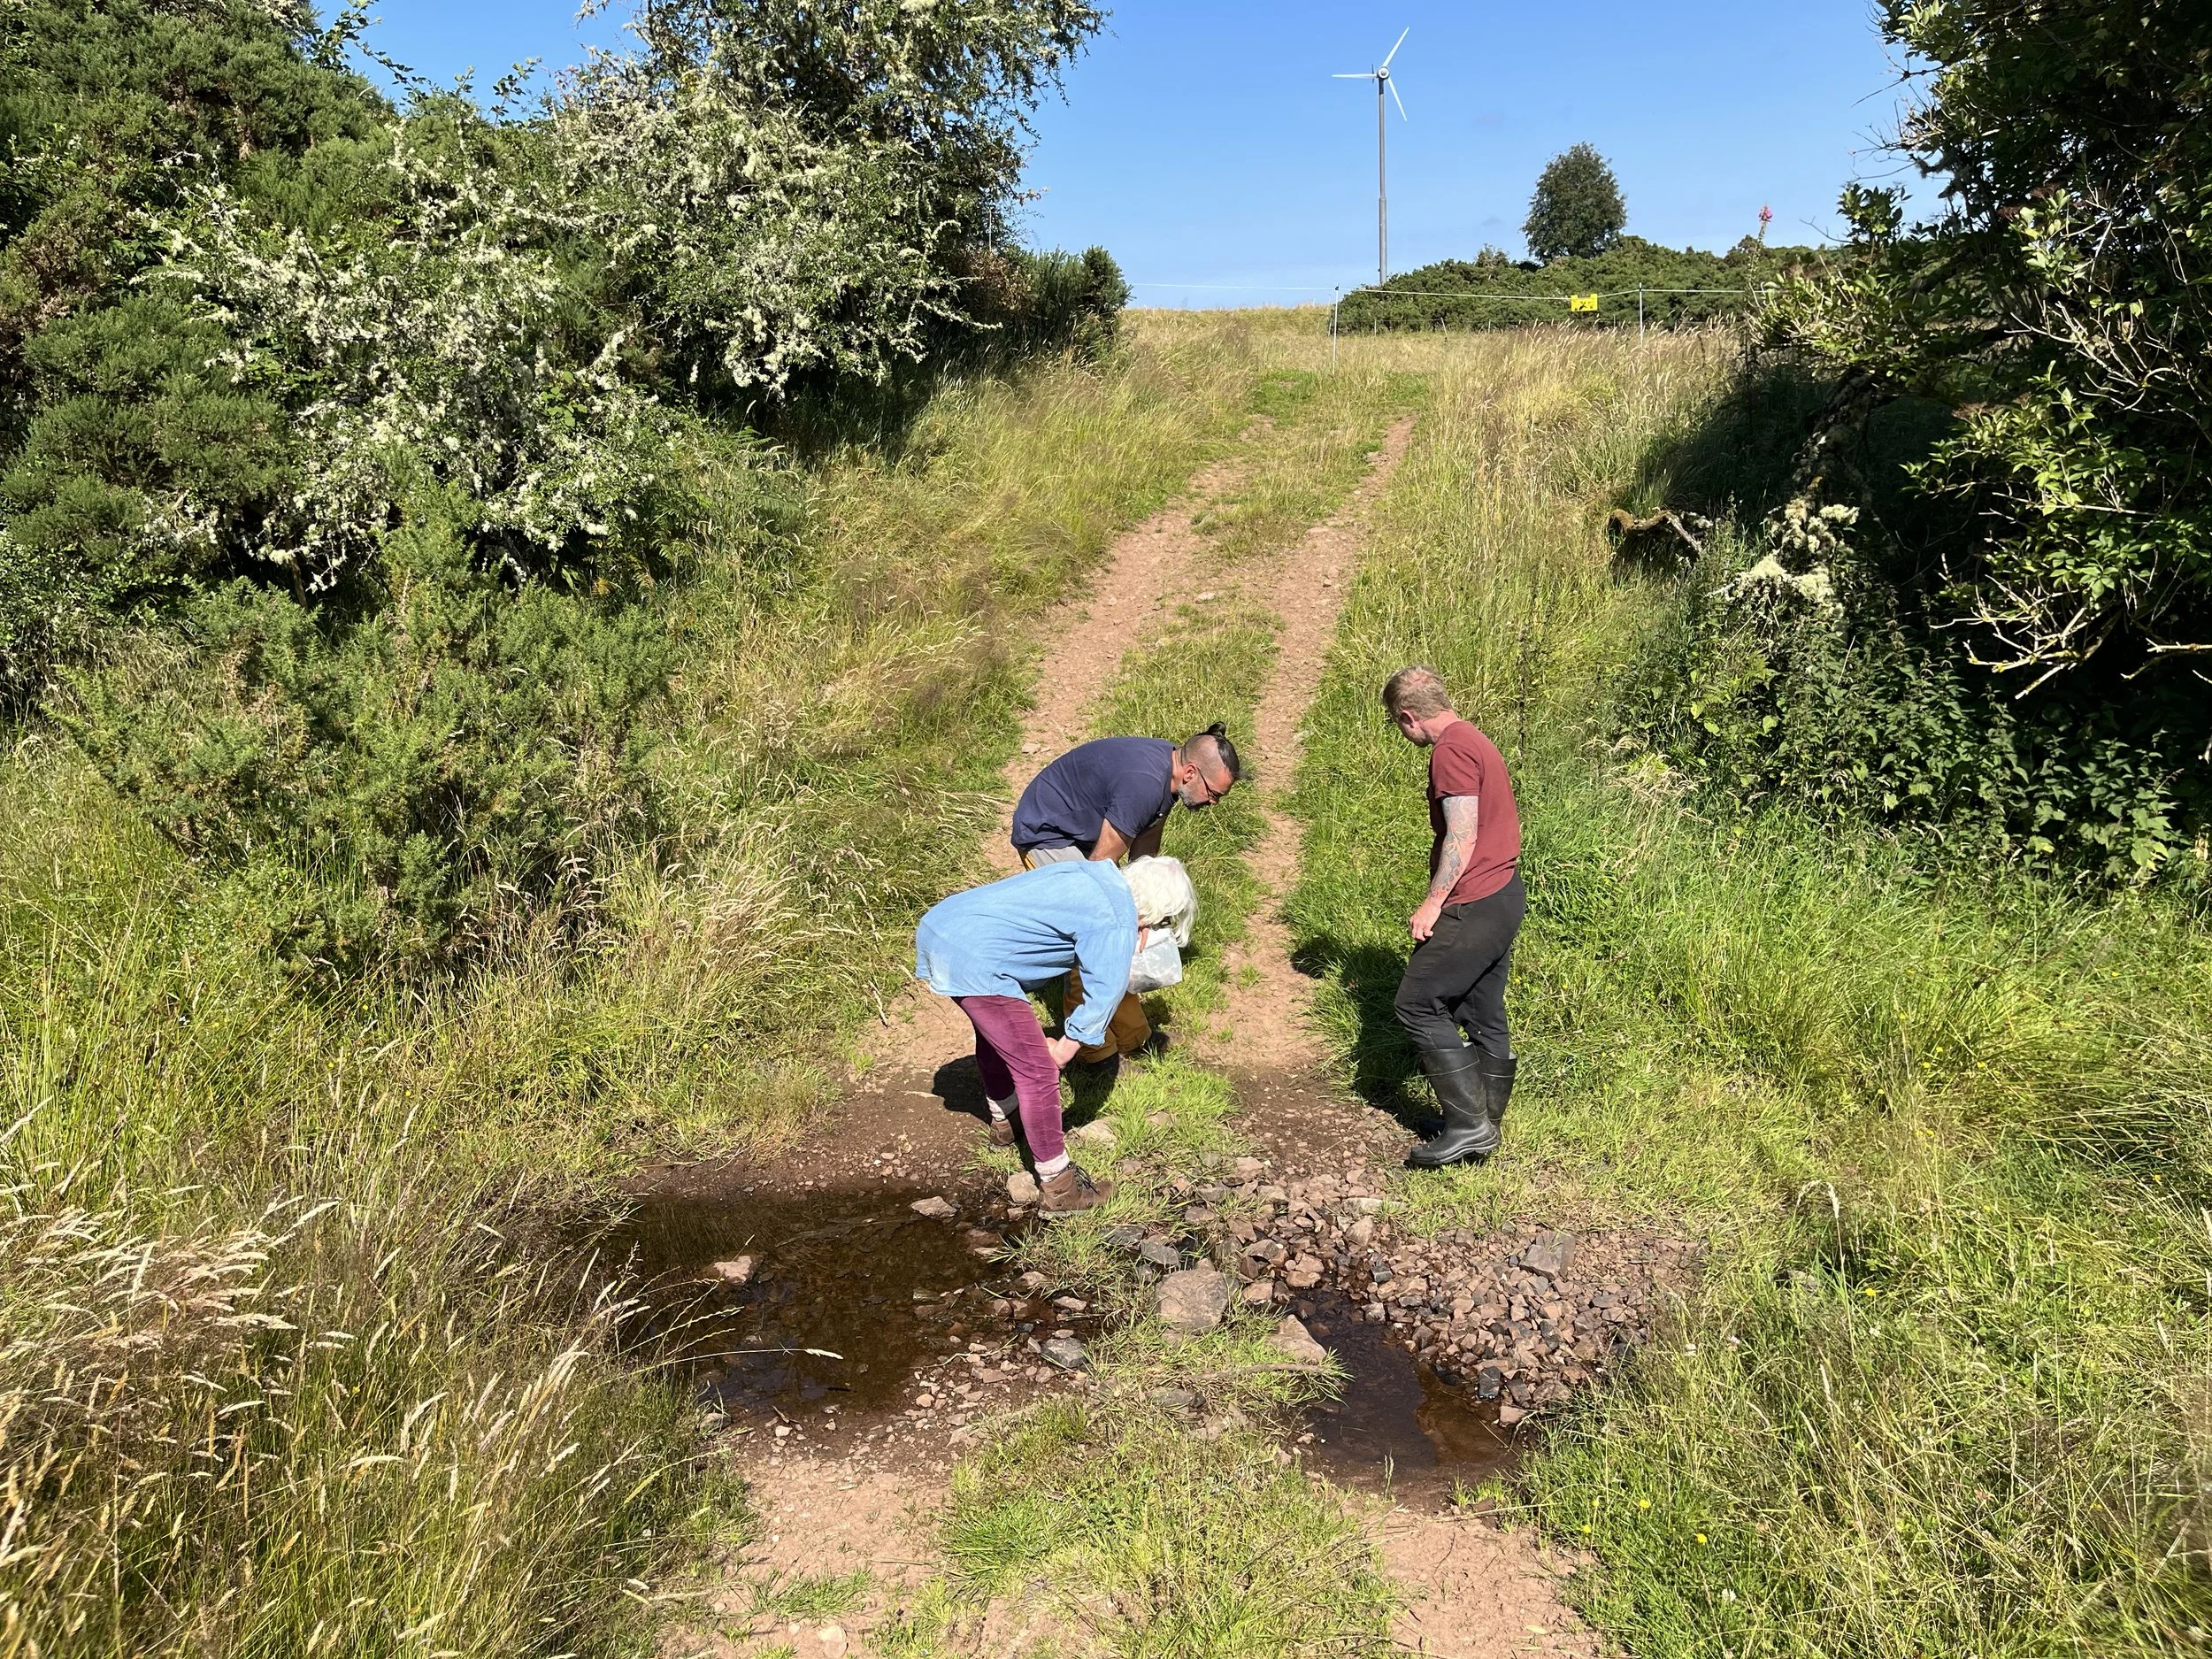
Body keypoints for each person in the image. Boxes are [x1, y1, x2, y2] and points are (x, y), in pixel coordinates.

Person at [913, 856, 1199, 1214]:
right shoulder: (1116, 919)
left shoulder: (1095, 873)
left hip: (945, 926)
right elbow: (1104, 994)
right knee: (1038, 1072)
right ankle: (1060, 1187)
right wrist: (1062, 1051)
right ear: (1159, 912)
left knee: (995, 1034)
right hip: (975, 956)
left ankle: (1006, 1122)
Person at [1010, 725, 1240, 1062]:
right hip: (1047, 834)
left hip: (1082, 835)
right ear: (1191, 772)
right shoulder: (1144, 784)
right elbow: (1098, 871)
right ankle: (1092, 1050)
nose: (1214, 803)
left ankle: (1133, 1036)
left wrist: (1145, 910)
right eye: (1214, 793)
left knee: (1119, 931)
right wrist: (1125, 916)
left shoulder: (1170, 774)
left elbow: (1145, 851)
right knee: (1094, 933)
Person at [1381, 666, 1525, 1168]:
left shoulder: (1451, 750)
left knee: (1417, 1003)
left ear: (1408, 717)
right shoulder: (1475, 738)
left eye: (1398, 725)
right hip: (1505, 894)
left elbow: (1462, 835)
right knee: (1481, 1010)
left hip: (1475, 900)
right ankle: (1484, 1123)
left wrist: (1433, 902)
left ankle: (1468, 1126)